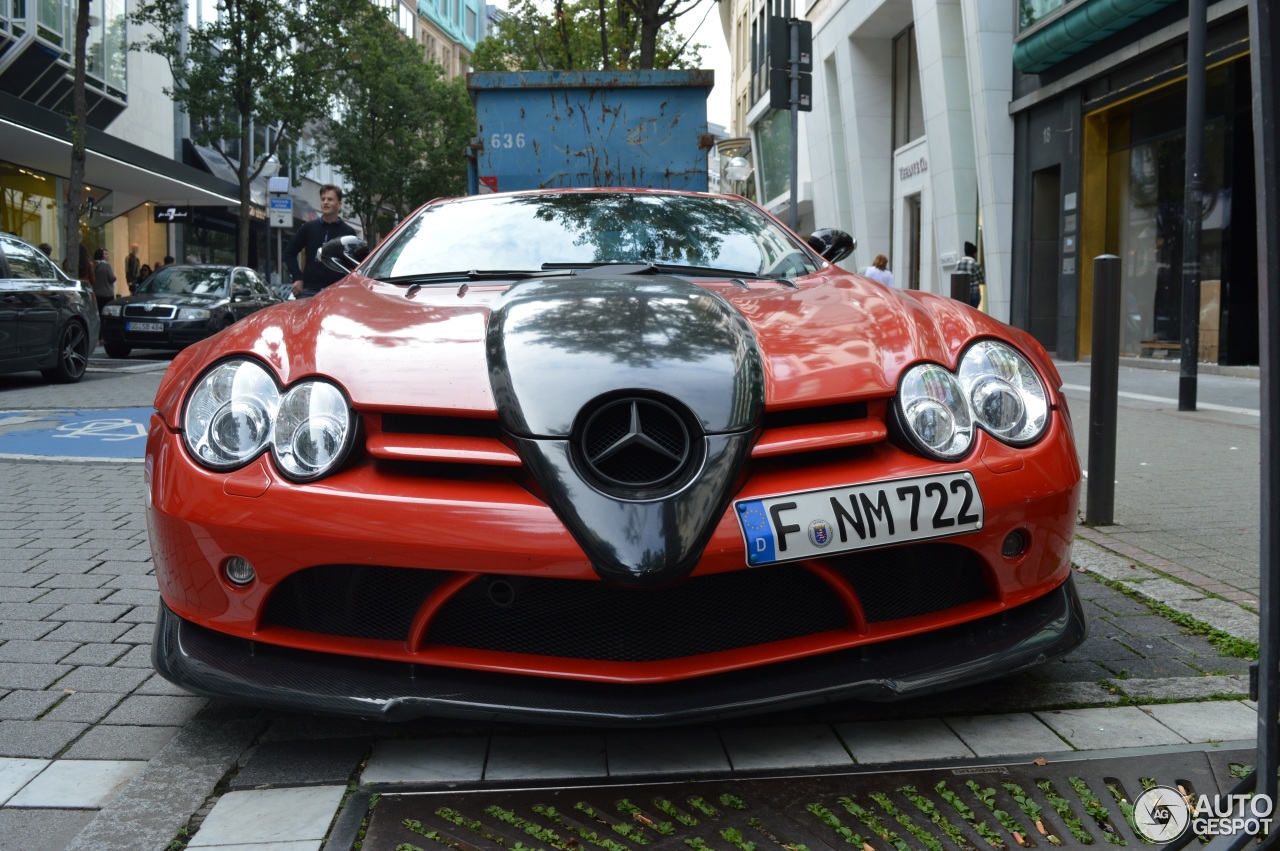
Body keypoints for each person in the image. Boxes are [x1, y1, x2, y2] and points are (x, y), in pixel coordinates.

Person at [285, 184, 357, 298]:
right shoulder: (308, 228)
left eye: (330, 199)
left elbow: (356, 264)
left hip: (337, 291)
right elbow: (289, 253)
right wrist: (297, 278)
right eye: (323, 199)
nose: (325, 202)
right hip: (309, 290)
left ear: (339, 204)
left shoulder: (348, 232)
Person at [956, 240, 985, 308]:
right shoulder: (975, 264)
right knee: (972, 312)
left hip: (961, 295)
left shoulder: (958, 263)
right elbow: (982, 280)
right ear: (973, 253)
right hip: (973, 294)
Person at [91, 247, 117, 314]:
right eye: (105, 254)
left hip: (96, 293)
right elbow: (111, 278)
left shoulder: (93, 265)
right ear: (101, 255)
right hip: (107, 294)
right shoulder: (106, 266)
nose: (107, 256)